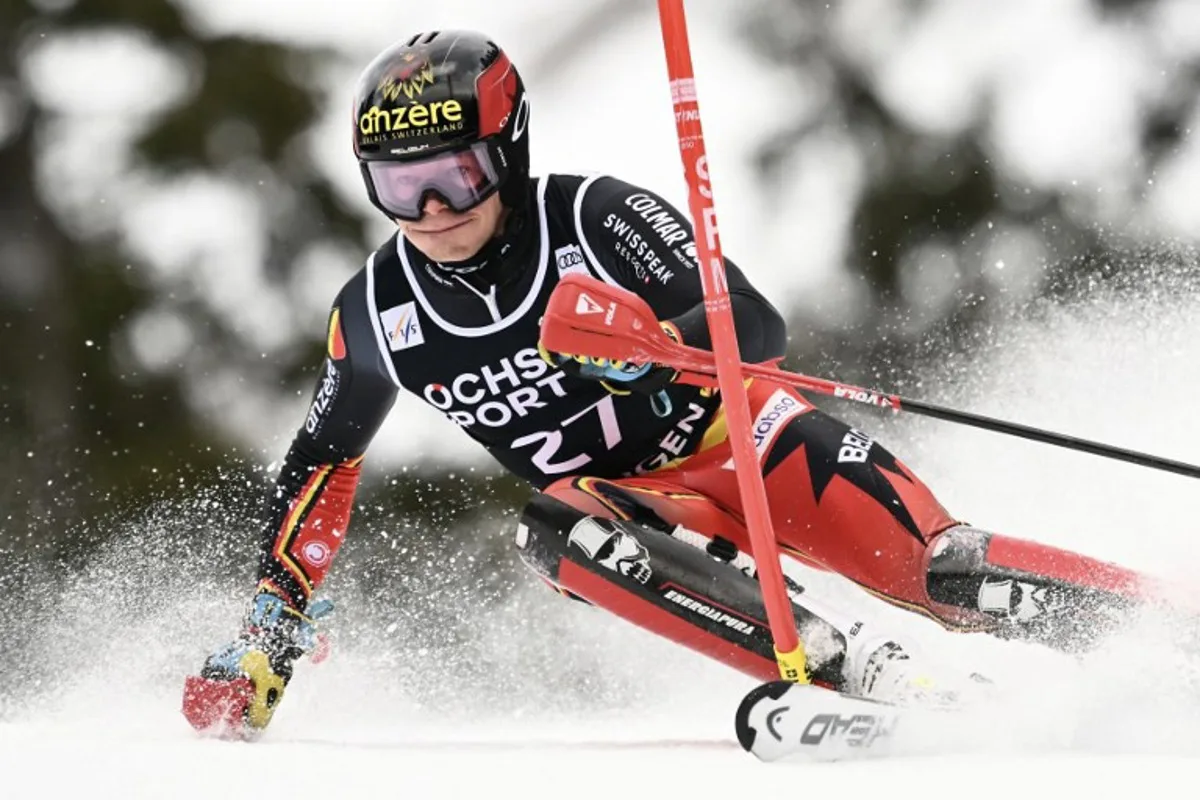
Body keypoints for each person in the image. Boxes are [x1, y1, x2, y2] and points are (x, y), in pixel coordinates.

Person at [183, 30, 1149, 735]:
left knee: (945, 572)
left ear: (507, 155)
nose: (432, 211)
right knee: (554, 527)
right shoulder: (377, 313)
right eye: (399, 187)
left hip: (752, 444)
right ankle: (851, 674)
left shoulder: (597, 218)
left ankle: (1162, 628)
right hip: (640, 508)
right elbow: (322, 464)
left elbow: (755, 323)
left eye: (458, 176)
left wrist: (653, 345)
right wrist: (270, 628)